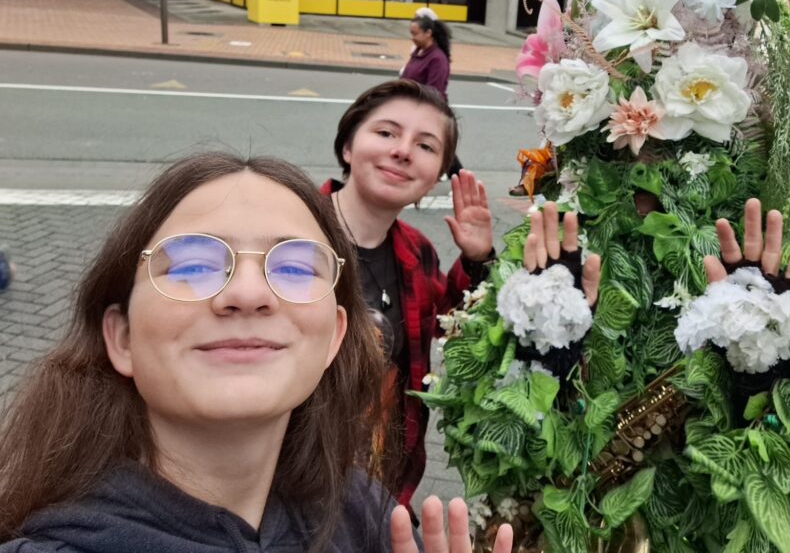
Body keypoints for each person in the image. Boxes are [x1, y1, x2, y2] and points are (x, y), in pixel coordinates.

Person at [0, 152, 512, 553]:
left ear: (334, 338)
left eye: (294, 268)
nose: (248, 293)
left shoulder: (367, 517)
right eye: (193, 264)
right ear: (122, 337)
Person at [323, 80, 493, 510]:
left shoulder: (417, 252)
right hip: (285, 487)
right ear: (348, 147)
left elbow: (451, 327)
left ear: (436, 176)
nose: (402, 151)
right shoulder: (288, 233)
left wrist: (478, 260)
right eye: (386, 133)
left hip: (379, 493)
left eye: (425, 146)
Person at [400, 8, 463, 176]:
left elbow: (435, 90)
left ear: (428, 33)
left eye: (415, 34)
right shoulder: (418, 52)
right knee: (433, 146)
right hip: (413, 108)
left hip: (428, 109)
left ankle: (459, 177)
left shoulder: (437, 58)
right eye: (411, 33)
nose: (412, 38)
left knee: (439, 148)